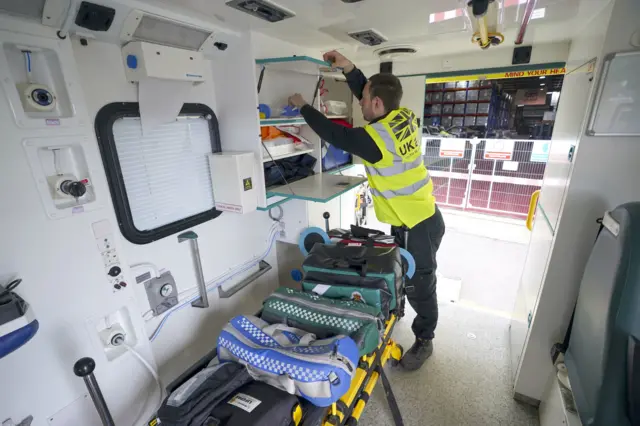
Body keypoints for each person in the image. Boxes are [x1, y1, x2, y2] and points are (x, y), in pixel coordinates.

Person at [288, 51, 445, 371]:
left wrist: (303, 105)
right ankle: (396, 308)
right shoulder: (402, 115)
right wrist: (349, 68)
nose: (359, 103)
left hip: (418, 224)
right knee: (399, 271)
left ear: (377, 104)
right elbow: (367, 95)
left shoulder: (376, 139)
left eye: (364, 99)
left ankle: (425, 338)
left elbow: (335, 134)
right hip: (418, 216)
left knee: (421, 285)